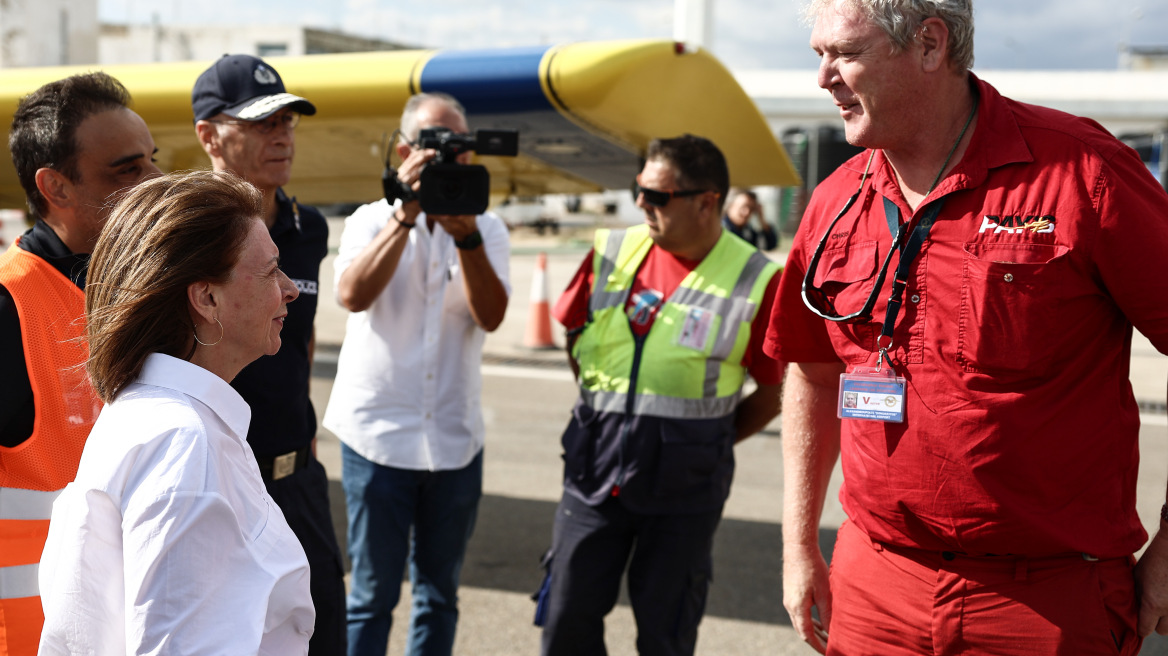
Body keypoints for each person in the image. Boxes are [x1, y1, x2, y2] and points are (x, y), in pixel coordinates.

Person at [767, 1, 1168, 654]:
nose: (824, 77)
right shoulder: (835, 200)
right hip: (873, 584)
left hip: (1044, 600)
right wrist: (798, 545)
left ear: (930, 44)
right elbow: (812, 373)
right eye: (819, 55)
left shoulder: (1081, 172)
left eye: (845, 53)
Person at [37, 170, 313, 655]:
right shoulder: (184, 443)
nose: (290, 288)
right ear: (206, 298)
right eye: (271, 270)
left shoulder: (155, 418)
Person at [538, 134, 785, 656]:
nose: (641, 203)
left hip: (684, 492)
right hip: (593, 476)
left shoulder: (757, 278)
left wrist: (705, 441)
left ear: (706, 202)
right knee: (565, 623)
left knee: (665, 637)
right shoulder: (611, 252)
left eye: (657, 195)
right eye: (639, 190)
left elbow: (772, 392)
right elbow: (575, 335)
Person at [322, 91, 510, 656]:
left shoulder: (488, 228)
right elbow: (353, 295)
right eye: (436, 144)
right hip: (377, 437)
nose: (451, 156)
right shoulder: (369, 219)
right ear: (404, 151)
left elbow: (491, 316)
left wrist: (466, 236)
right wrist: (404, 214)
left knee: (439, 594)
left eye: (460, 146)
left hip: (454, 440)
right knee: (371, 594)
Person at [0, 71, 158, 656]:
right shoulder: (9, 306)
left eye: (152, 160)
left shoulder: (140, 291)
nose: (155, 181)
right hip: (32, 636)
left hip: (128, 627)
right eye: (127, 170)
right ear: (56, 187)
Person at [192, 53, 345, 655]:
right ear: (209, 136)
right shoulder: (184, 233)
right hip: (221, 482)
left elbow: (302, 339)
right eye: (260, 123)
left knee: (323, 632)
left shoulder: (308, 230)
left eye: (286, 121)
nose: (281, 136)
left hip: (296, 478)